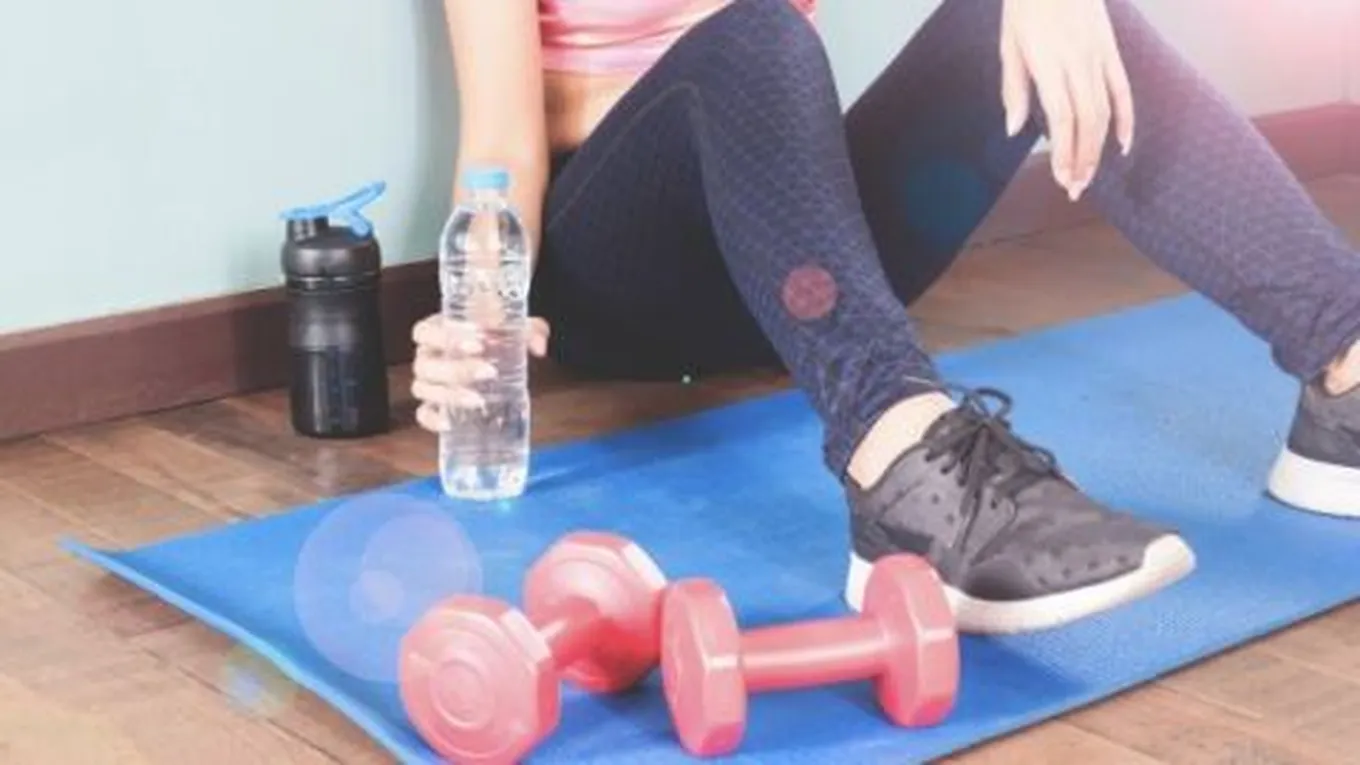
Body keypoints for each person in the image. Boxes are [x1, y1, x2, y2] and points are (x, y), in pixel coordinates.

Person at [411, 0, 1360, 634]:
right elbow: (503, 144)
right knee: (755, 33)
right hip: (627, 273)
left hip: (793, 263)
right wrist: (480, 309)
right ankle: (903, 471)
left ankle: (1345, 362)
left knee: (1049, 11)